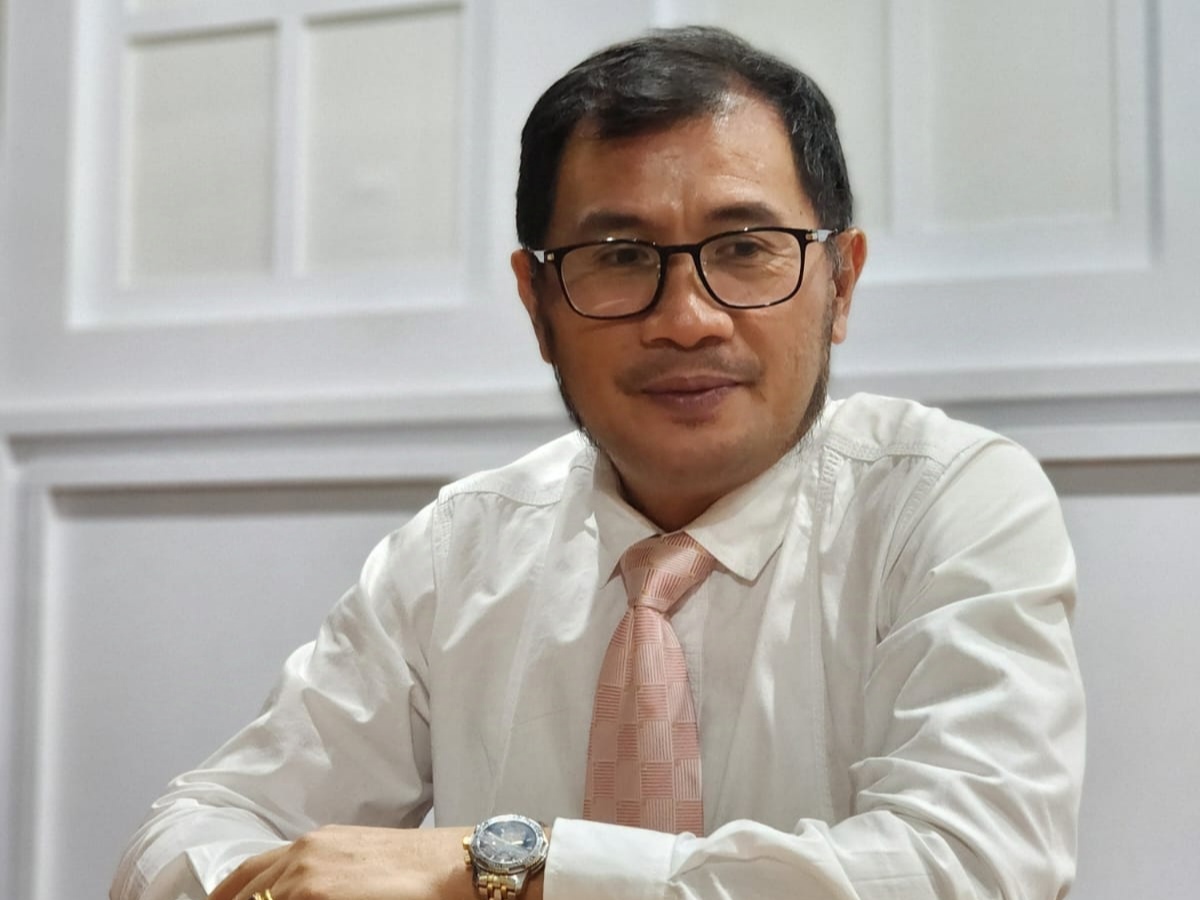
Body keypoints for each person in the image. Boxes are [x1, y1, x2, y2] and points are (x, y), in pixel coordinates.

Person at [111, 25, 1085, 900]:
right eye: (619, 256)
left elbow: (971, 868)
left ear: (841, 282)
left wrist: (502, 868)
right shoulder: (456, 552)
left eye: (745, 248)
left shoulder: (945, 503)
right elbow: (194, 830)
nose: (687, 319)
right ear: (538, 307)